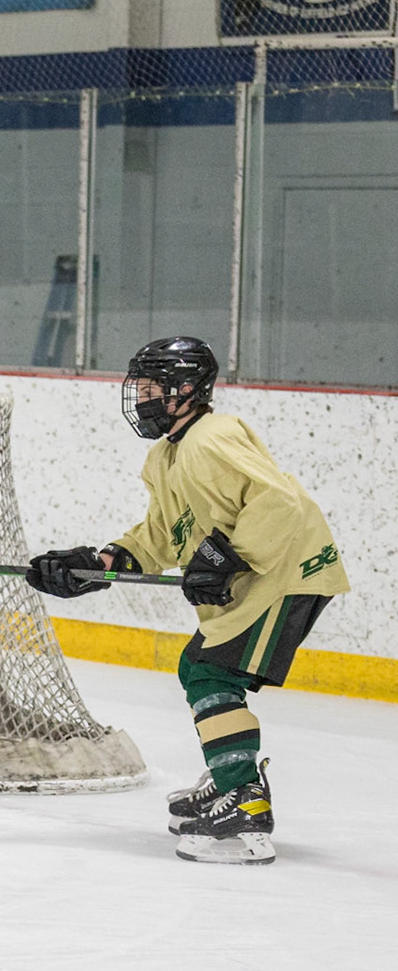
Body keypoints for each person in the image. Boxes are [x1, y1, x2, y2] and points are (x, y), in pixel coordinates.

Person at [26, 336, 349, 865]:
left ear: (184, 390)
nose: (141, 400)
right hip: (260, 577)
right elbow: (161, 535)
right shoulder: (165, 456)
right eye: (140, 390)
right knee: (198, 667)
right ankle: (230, 777)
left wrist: (227, 557)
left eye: (151, 390)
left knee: (211, 673)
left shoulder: (212, 438)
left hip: (286, 572)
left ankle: (244, 800)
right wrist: (100, 563)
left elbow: (279, 504)